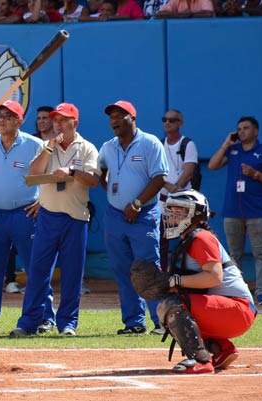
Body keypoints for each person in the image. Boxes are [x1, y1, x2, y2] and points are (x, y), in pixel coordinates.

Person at [10, 102, 100, 337]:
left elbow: (93, 180)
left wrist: (71, 173)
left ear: (75, 123)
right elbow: (33, 174)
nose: (58, 124)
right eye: (55, 119)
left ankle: (68, 323)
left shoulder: (87, 148)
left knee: (72, 275)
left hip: (76, 218)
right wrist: (49, 149)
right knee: (38, 272)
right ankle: (28, 322)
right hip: (48, 216)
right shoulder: (46, 146)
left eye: (63, 119)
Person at [0, 100, 50, 333]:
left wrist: (42, 200)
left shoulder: (36, 144)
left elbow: (51, 173)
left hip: (26, 213)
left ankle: (45, 317)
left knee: (36, 268)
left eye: (8, 115)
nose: (2, 119)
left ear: (20, 120)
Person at [157, 190, 257, 373]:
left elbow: (214, 277)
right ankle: (222, 349)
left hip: (238, 309)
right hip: (229, 309)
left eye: (178, 210)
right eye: (171, 209)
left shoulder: (201, 237)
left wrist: (174, 281)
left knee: (173, 305)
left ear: (195, 213)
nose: (172, 214)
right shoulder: (187, 239)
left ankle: (201, 361)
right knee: (170, 301)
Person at [98, 100, 168, 335]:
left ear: (133, 119)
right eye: (111, 117)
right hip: (115, 216)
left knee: (148, 268)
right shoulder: (108, 147)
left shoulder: (150, 143)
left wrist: (137, 204)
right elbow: (100, 171)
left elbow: (160, 178)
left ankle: (161, 320)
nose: (114, 121)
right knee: (122, 269)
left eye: (120, 116)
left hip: (144, 214)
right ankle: (134, 322)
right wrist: (111, 192)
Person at [208, 116, 262, 306]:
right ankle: (237, 290)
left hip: (257, 211)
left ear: (255, 131)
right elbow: (212, 165)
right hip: (232, 211)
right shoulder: (233, 150)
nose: (241, 132)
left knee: (261, 253)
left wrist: (255, 174)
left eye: (246, 128)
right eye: (239, 128)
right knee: (233, 254)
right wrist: (226, 144)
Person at [159, 109, 198, 270]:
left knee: (188, 239)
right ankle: (160, 277)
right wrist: (168, 187)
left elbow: (189, 171)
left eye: (172, 120)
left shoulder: (187, 144)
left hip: (183, 200)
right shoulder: (159, 144)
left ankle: (188, 275)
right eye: (165, 119)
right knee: (161, 241)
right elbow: (154, 171)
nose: (167, 122)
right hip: (162, 201)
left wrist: (176, 189)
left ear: (180, 123)